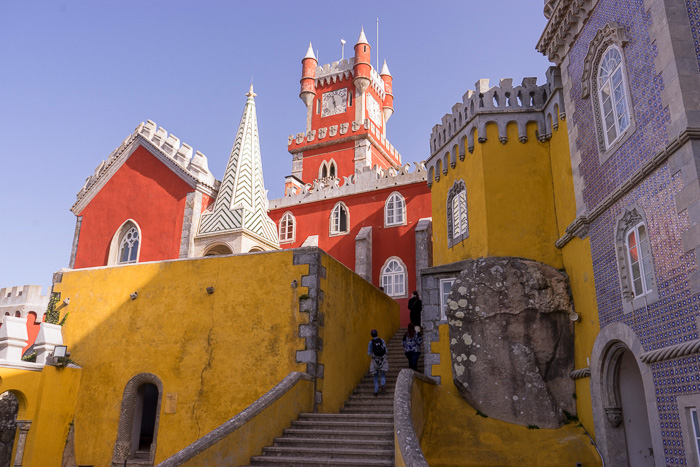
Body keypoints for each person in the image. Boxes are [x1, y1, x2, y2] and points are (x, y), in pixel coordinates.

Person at [367, 329, 388, 396]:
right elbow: (386, 350)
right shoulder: (382, 340)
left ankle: (376, 391)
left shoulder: (371, 342)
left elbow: (369, 352)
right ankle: (383, 384)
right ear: (377, 333)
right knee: (382, 374)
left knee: (375, 376)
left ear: (371, 335)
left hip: (375, 360)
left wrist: (373, 355)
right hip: (382, 359)